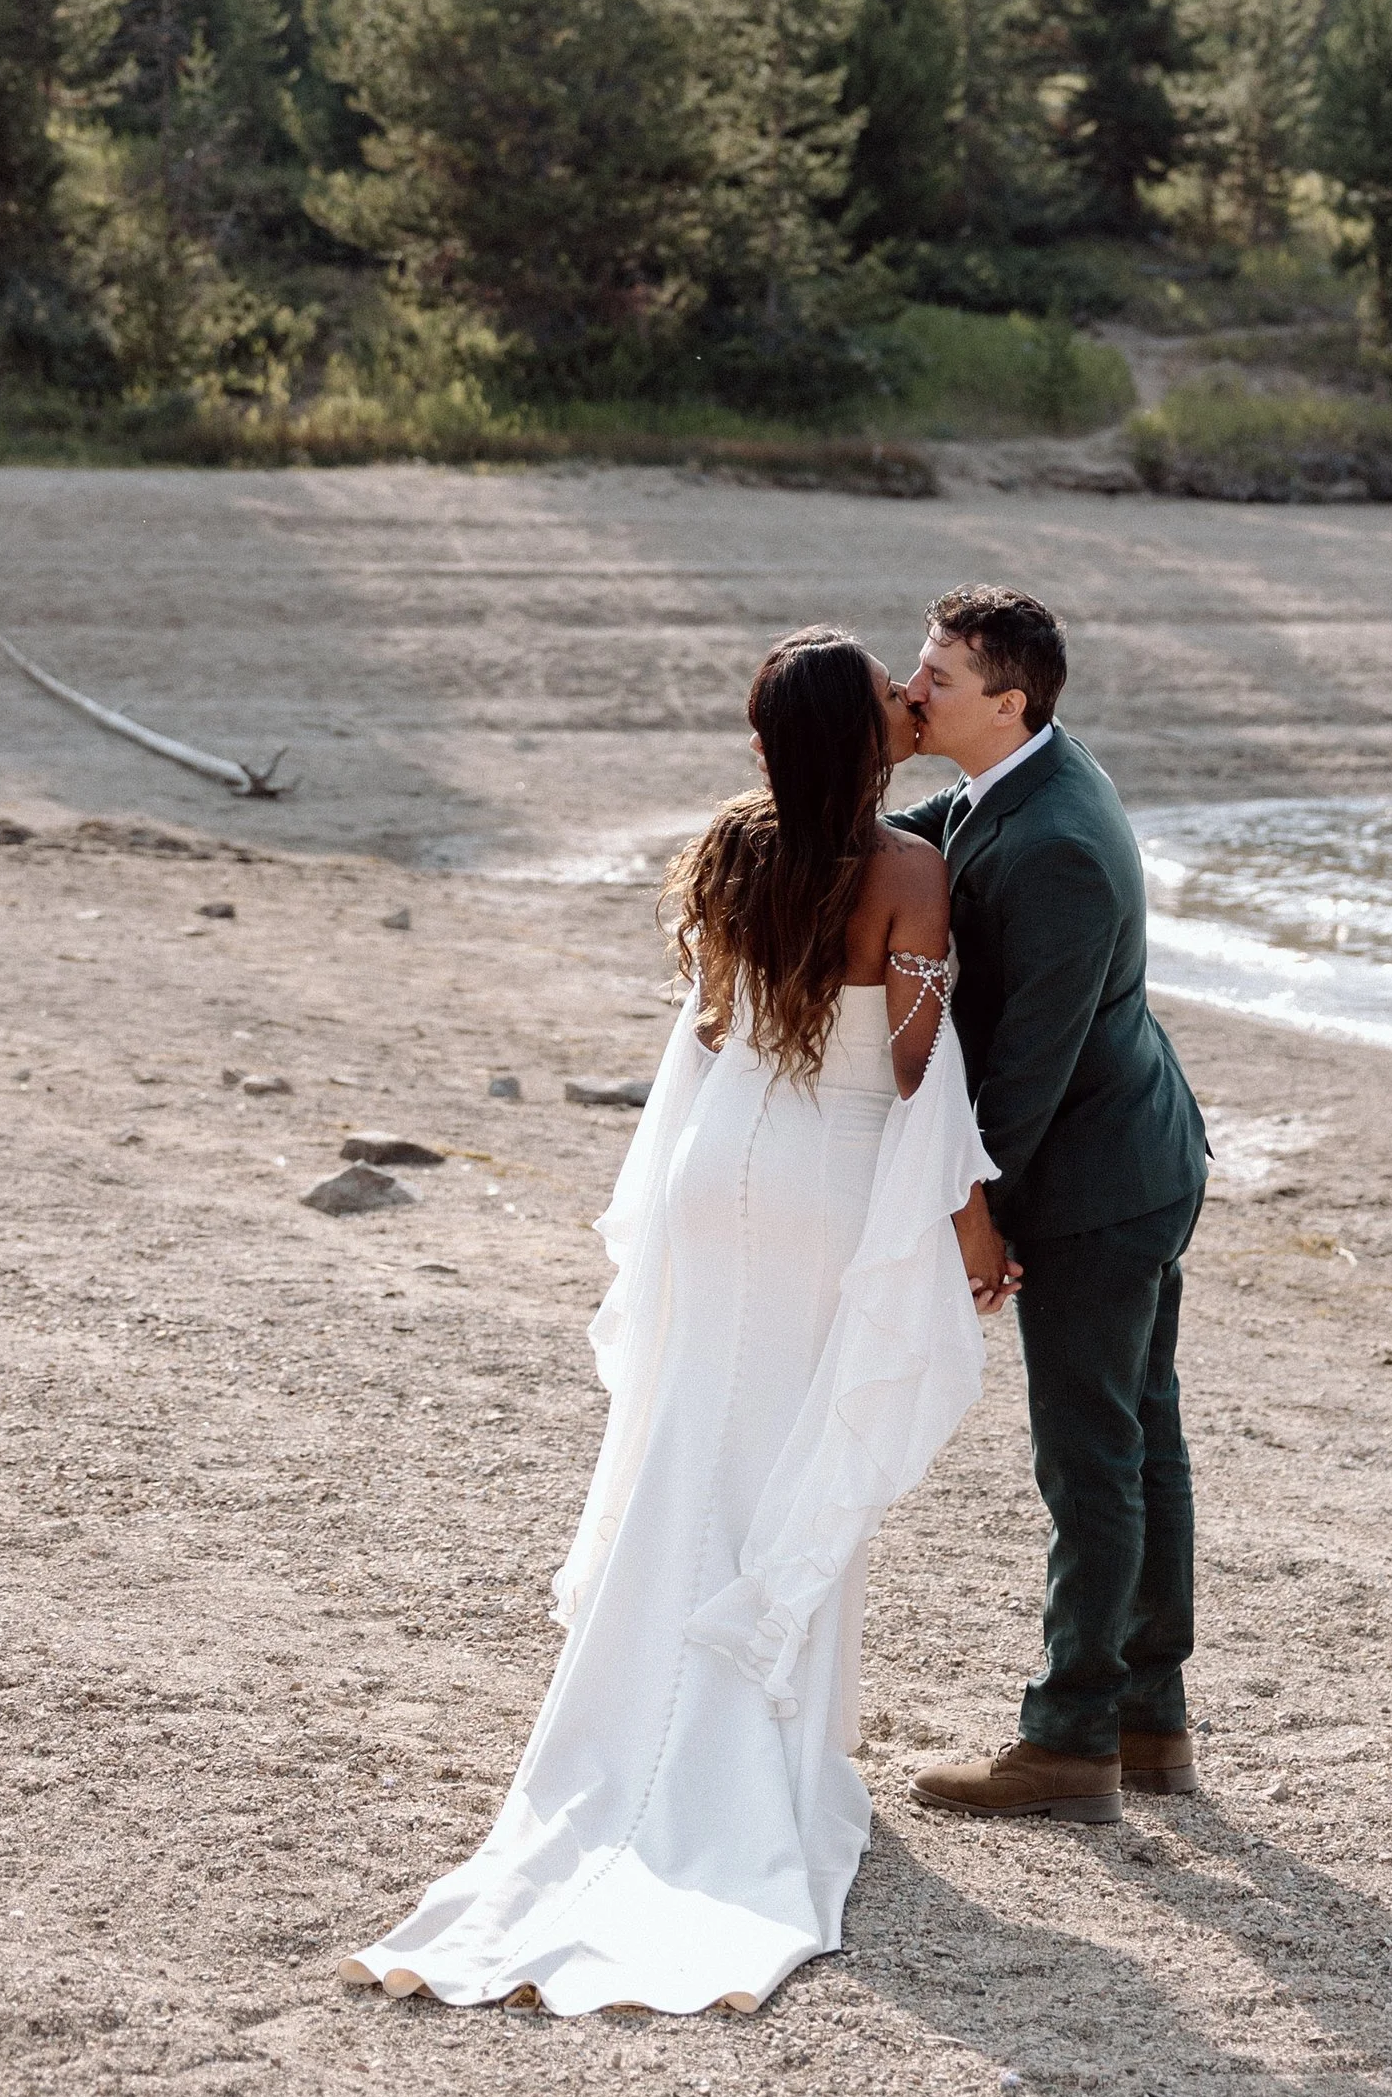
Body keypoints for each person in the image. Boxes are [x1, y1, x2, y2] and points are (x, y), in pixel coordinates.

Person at [340, 626, 1003, 2017]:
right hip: (824, 1181)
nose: (908, 696)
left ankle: (649, 1729)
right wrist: (970, 1220)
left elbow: (714, 1027)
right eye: (892, 688)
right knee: (781, 1457)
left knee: (691, 1445)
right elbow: (918, 1066)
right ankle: (756, 1760)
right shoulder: (907, 871)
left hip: (719, 1171)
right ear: (859, 733)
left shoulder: (732, 850)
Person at [891, 584, 1209, 1824]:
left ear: (1007, 700)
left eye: (937, 681)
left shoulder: (1062, 843)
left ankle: (1071, 1739)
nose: (917, 693)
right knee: (1137, 1439)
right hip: (1127, 1153)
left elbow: (1027, 1072)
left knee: (1094, 1457)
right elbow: (925, 842)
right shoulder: (1018, 779)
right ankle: (1147, 1722)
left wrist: (975, 1217)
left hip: (1100, 1181)